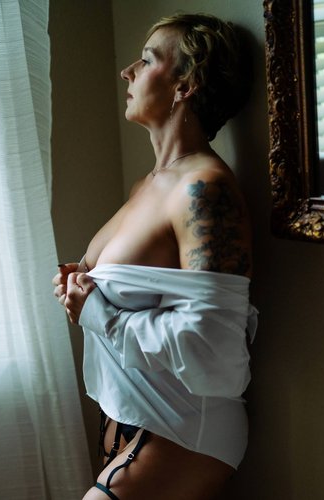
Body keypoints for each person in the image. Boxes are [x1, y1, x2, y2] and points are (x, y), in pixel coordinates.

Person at [53, 12, 256, 500]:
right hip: (131, 418)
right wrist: (81, 284)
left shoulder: (204, 189)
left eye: (145, 61)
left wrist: (97, 312)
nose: (127, 71)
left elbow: (215, 349)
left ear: (185, 84)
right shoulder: (145, 186)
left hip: (185, 430)